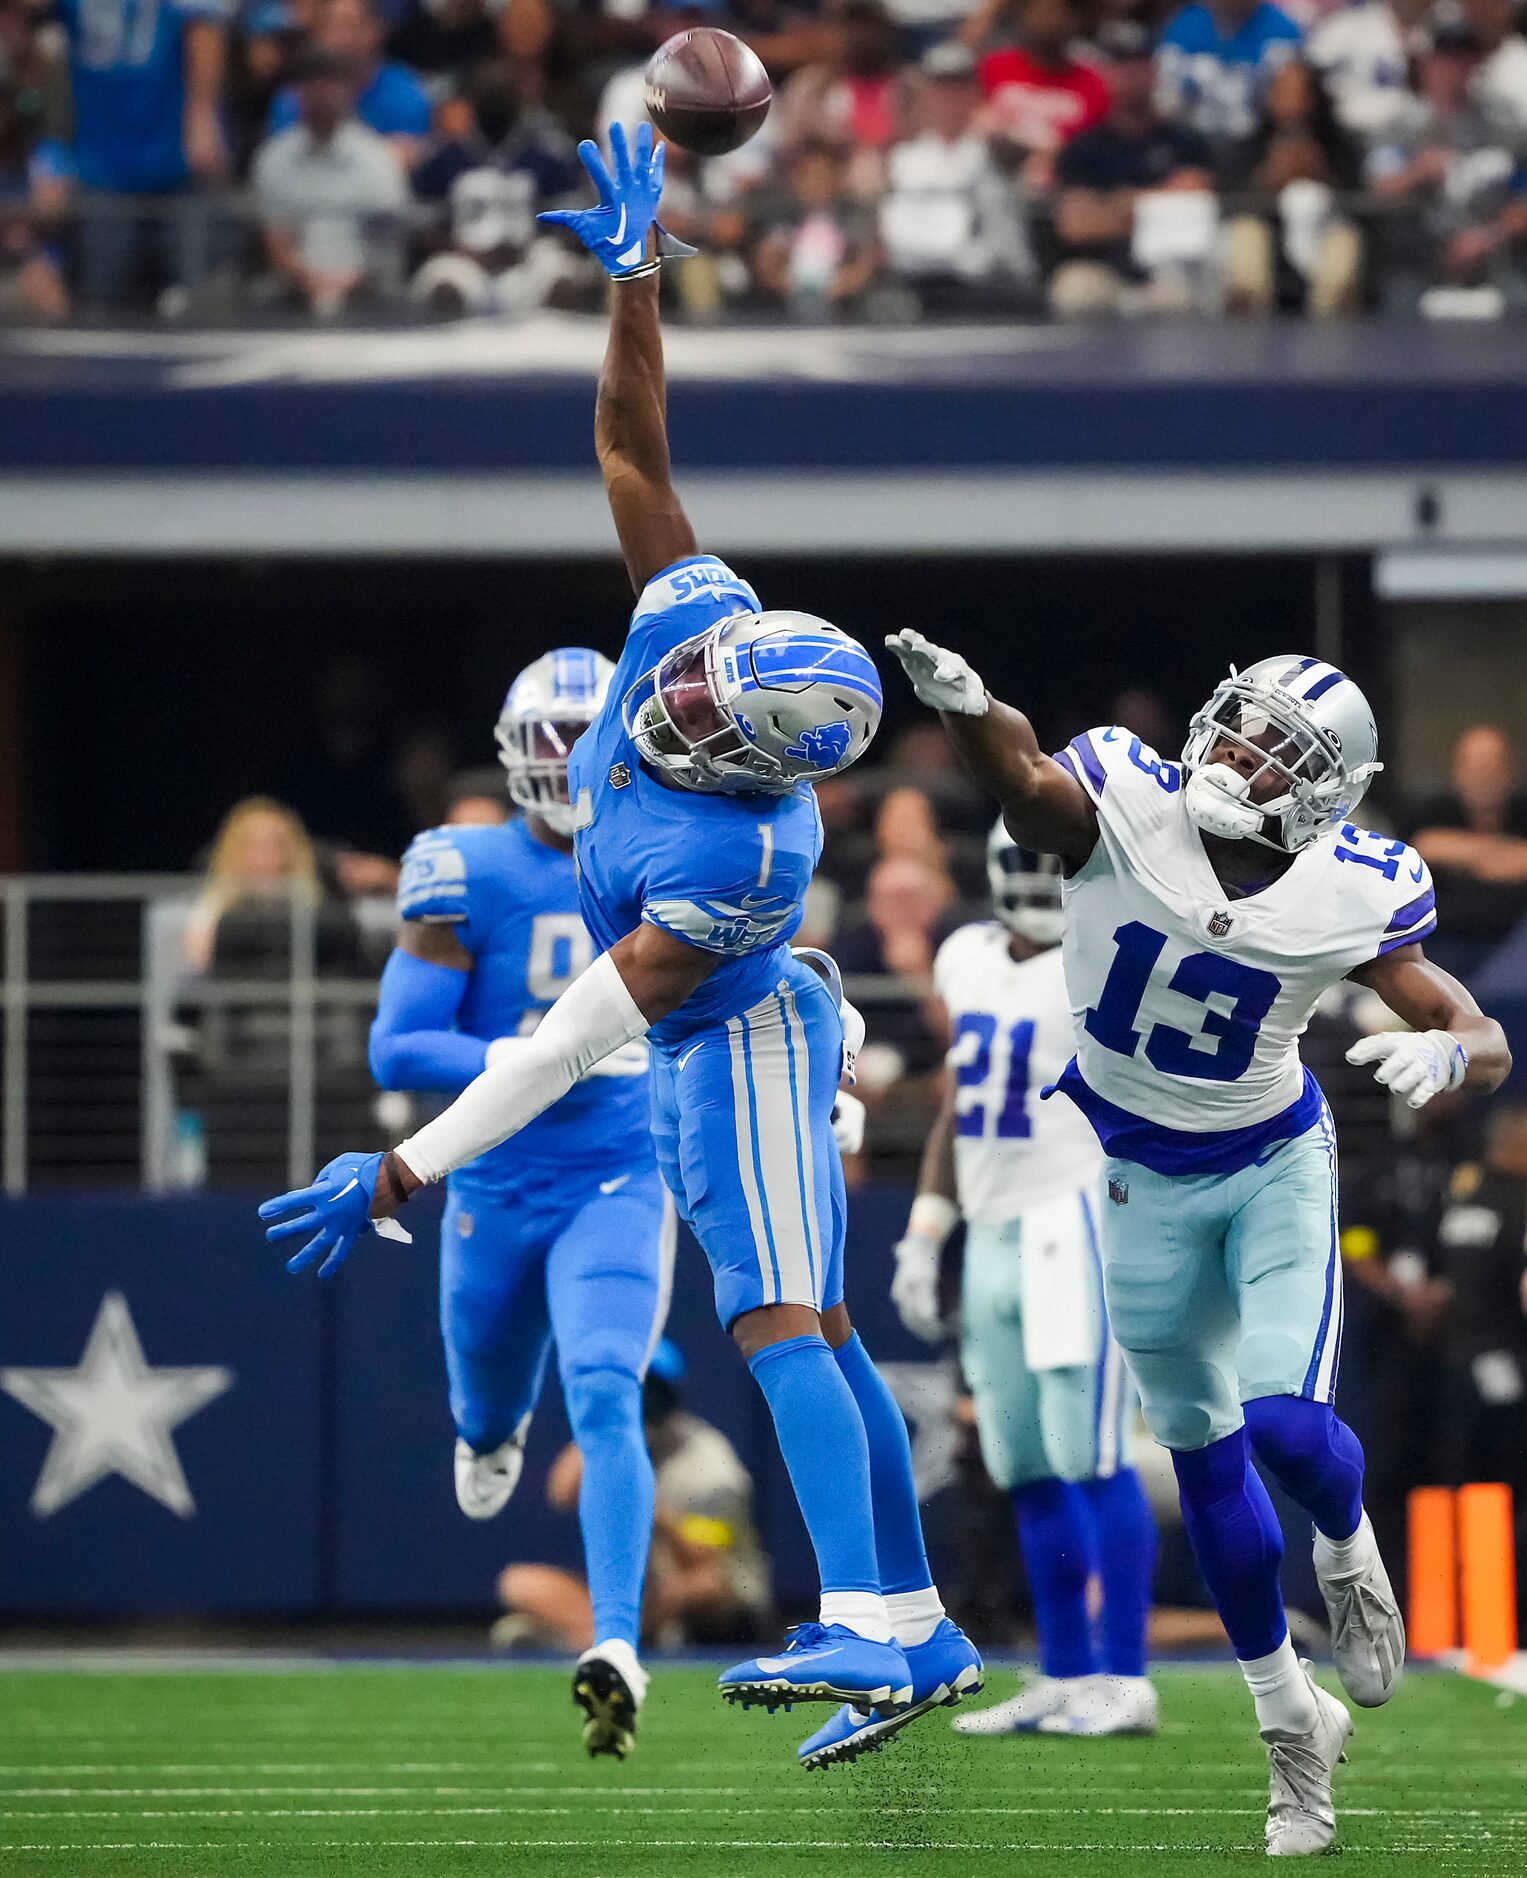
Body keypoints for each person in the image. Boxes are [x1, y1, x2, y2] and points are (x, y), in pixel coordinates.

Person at [261, 122, 981, 1771]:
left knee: (780, 1321)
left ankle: (878, 1616)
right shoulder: (693, 617)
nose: (674, 697)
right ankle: (911, 1615)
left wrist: (401, 1170)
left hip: (738, 1038)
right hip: (689, 1046)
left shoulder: (744, 855)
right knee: (814, 1323)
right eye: (700, 675)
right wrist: (641, 277)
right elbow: (627, 441)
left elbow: (569, 1033)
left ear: (760, 769)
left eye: (711, 714)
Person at [884, 629, 1510, 1854]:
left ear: (1325, 794)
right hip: (1138, 1182)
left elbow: (1475, 1026)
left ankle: (1346, 1542)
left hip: (1273, 1163)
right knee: (1209, 1461)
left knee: (1282, 1424)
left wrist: (1452, 1053)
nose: (1240, 756)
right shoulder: (1127, 800)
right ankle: (1291, 1725)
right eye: (1240, 725)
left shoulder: (1354, 886)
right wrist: (972, 707)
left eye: (1281, 754)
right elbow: (1025, 780)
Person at [363, 649, 671, 1758]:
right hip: (491, 1177)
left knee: (604, 1387)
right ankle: (487, 1428)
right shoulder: (464, 865)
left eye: (584, 740)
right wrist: (536, 1056)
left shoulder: (664, 856)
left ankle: (619, 1645)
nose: (565, 764)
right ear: (509, 752)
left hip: (619, 1176)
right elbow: (396, 1042)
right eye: (547, 739)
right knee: (489, 1406)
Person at [889, 822, 1160, 1744]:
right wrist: (926, 1233)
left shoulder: (1104, 959)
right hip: (994, 1228)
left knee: (1093, 1455)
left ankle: (1125, 1676)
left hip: (1074, 1220)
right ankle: (1064, 1671)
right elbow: (962, 1103)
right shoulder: (963, 953)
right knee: (1023, 1465)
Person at [495, 1339, 772, 1652]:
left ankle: (597, 1640)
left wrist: (658, 1517)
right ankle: (601, 1635)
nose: (637, 1401)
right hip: (647, 1595)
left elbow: (707, 1562)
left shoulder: (708, 1466)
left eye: (645, 1390)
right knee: (518, 1583)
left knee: (695, 1587)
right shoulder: (615, 1441)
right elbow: (562, 1494)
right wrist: (603, 1425)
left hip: (725, 1604)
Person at [55, 0, 228, 310]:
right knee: (102, 300)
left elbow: (204, 26)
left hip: (172, 156)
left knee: (192, 298)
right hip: (100, 163)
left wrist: (201, 116)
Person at [1049, 20, 1213, 319]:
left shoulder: (1185, 143)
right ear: (1106, 74)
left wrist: (1119, 204)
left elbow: (1194, 202)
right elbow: (1076, 226)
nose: (1130, 76)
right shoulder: (1084, 148)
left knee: (1177, 298)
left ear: (1154, 71)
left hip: (1169, 270)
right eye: (1120, 66)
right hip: (1104, 268)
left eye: (1138, 65)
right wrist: (1157, 202)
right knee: (1075, 291)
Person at [252, 48, 406, 317]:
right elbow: (275, 239)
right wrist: (310, 282)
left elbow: (386, 244)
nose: (319, 93)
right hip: (294, 296)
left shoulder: (376, 159)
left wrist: (347, 283)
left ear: (348, 90)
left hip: (366, 294)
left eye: (329, 83)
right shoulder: (273, 158)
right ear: (297, 92)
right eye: (310, 83)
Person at [1404, 724, 1527, 981]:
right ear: (1457, 770)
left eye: (1492, 767)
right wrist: (1502, 856)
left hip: (1513, 947)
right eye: (1473, 767)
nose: (1483, 777)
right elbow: (1423, 847)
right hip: (1442, 945)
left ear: (1509, 771)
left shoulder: (1522, 813)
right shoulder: (1431, 812)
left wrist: (1461, 853)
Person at [267, 0, 431, 170]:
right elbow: (282, 162)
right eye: (333, 26)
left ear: (375, 31)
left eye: (352, 26)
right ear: (316, 34)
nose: (344, 38)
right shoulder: (294, 96)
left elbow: (406, 158)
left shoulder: (404, 91)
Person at [1156, 0, 1304, 149]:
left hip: (1259, 142)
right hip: (1193, 141)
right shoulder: (1183, 26)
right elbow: (1164, 100)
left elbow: (1290, 102)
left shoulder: (1281, 29)